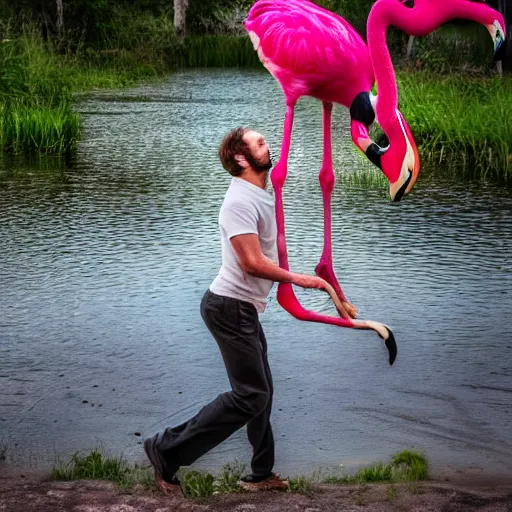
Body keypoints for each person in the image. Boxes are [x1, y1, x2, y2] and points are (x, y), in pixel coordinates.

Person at [144, 127, 329, 495]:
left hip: (242, 309)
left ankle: (261, 475)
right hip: (228, 308)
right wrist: (298, 280)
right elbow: (250, 263)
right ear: (241, 159)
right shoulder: (238, 202)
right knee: (251, 396)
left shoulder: (260, 192)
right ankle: (165, 448)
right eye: (260, 142)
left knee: (262, 392)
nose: (269, 144)